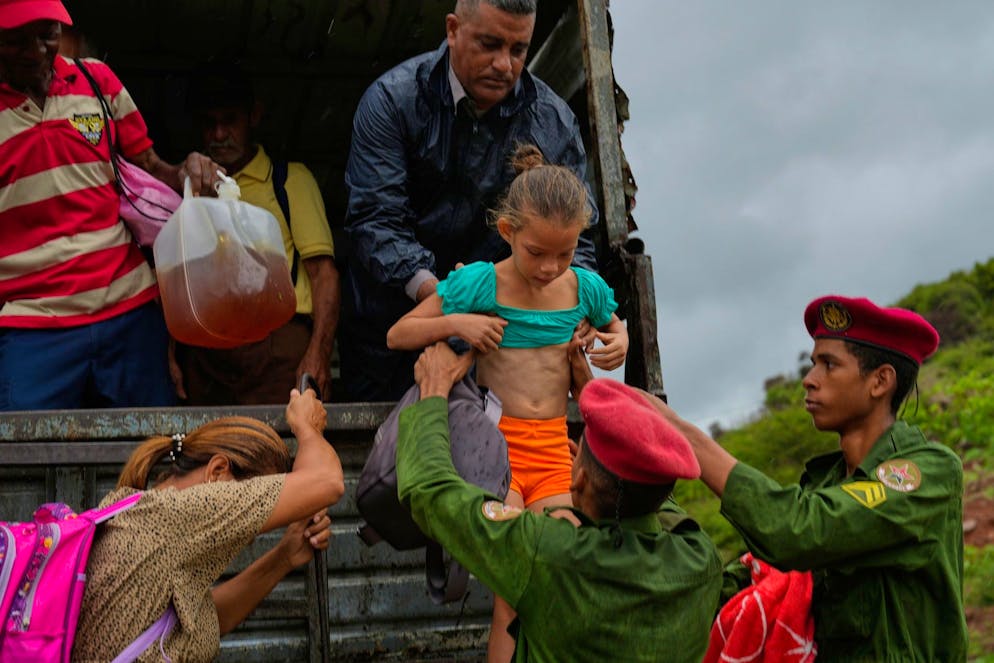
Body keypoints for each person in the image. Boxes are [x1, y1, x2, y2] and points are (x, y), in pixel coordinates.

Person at [387, 144, 627, 660]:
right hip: (495, 454)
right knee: (512, 592)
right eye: (536, 252)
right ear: (507, 233)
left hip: (556, 456)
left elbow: (615, 323)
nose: (549, 267)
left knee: (558, 579)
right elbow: (399, 334)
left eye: (563, 254)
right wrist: (458, 322)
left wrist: (621, 338)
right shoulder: (481, 282)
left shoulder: (583, 287)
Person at [649, 295, 967, 661]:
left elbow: (799, 530)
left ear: (880, 381)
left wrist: (683, 437)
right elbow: (730, 590)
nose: (809, 380)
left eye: (829, 365)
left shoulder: (929, 472)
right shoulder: (824, 485)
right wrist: (646, 497)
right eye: (814, 363)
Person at [396, 341, 723, 662]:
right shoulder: (700, 559)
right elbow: (649, 492)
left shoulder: (546, 552)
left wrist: (434, 391)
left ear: (578, 480)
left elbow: (428, 489)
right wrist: (599, 439)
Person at [341, 0, 601, 401]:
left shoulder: (553, 122)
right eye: (489, 44)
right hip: (387, 327)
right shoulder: (391, 101)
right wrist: (448, 298)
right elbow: (376, 220)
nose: (504, 65)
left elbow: (577, 237)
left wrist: (579, 302)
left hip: (502, 336)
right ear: (452, 29)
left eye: (518, 50)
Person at [0, 0, 222, 411]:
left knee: (158, 451)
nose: (36, 51)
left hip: (128, 310)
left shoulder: (97, 80)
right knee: (21, 462)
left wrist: (188, 169)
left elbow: (152, 167)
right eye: (16, 40)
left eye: (47, 34)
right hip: (32, 324)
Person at [72, 385, 345, 662]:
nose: (250, 535)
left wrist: (283, 557)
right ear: (217, 472)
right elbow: (327, 481)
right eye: (252, 509)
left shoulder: (135, 507)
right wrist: (307, 427)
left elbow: (205, 624)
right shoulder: (178, 513)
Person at [170, 64, 341, 403]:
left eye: (229, 120)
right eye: (209, 124)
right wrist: (171, 354)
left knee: (278, 451)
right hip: (208, 356)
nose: (219, 135)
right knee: (210, 453)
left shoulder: (289, 180)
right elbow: (177, 284)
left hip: (277, 351)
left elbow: (324, 275)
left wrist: (318, 354)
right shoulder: (189, 191)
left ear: (254, 116)